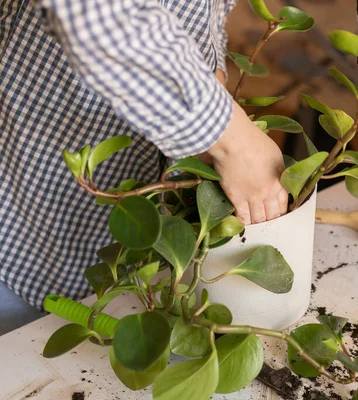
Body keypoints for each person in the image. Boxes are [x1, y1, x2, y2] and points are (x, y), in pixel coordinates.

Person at [0, 0, 288, 334]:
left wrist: (213, 79)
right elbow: (92, 12)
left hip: (120, 258)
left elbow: (205, 13)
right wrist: (235, 141)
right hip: (17, 232)